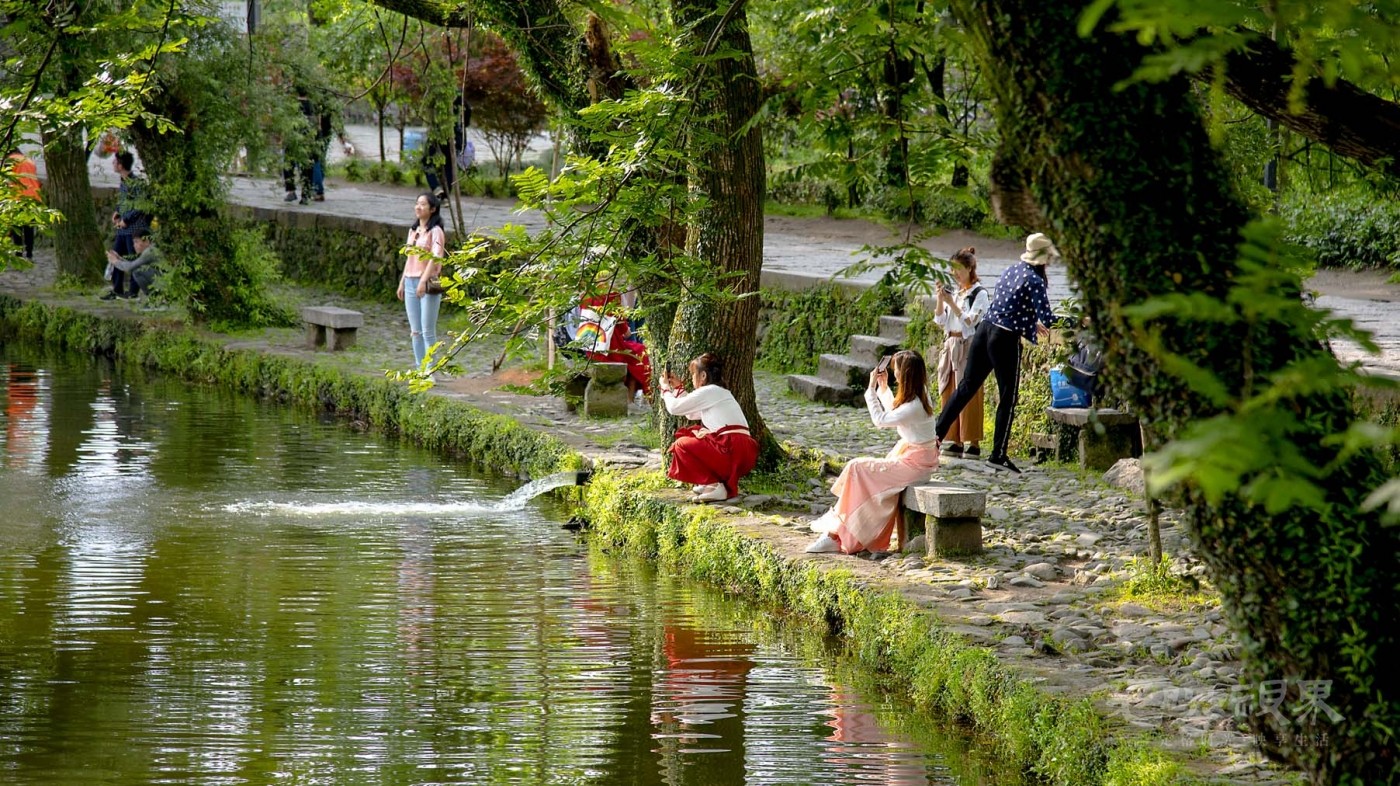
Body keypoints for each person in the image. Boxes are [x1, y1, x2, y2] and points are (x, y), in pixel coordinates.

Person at [934, 232, 1058, 474]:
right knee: (1008, 398)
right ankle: (997, 455)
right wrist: (1078, 321)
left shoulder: (1011, 270)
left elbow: (1007, 306)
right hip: (1004, 338)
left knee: (965, 388)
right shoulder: (1035, 279)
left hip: (985, 331)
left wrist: (1030, 323)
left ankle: (934, 440)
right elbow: (1050, 318)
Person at [806, 350, 940, 555]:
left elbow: (881, 420)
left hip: (915, 465)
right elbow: (895, 414)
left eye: (897, 369)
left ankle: (835, 534)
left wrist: (870, 388)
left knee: (856, 467)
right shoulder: (919, 395)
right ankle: (835, 531)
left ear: (905, 374)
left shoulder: (914, 406)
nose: (894, 372)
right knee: (857, 471)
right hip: (913, 458)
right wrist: (884, 388)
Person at [659, 353, 759, 503]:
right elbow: (691, 413)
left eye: (693, 374)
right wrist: (678, 388)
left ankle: (713, 484)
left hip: (732, 448)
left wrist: (666, 389)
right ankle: (712, 484)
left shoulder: (709, 391)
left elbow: (674, 408)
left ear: (703, 375)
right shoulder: (720, 392)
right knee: (694, 435)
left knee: (681, 444)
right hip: (745, 450)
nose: (692, 379)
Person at [933, 247, 989, 458]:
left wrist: (951, 303)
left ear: (969, 268)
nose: (955, 274)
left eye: (958, 270)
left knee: (969, 391)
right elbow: (940, 320)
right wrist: (941, 299)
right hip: (951, 343)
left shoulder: (979, 293)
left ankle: (972, 441)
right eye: (952, 270)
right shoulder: (955, 292)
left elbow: (970, 321)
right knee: (948, 388)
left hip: (969, 345)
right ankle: (952, 438)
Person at [578, 276, 652, 398]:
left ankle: (628, 399)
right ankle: (629, 399)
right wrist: (626, 331)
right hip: (612, 348)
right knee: (639, 355)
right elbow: (619, 319)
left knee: (633, 355)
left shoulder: (586, 295)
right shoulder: (612, 294)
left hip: (591, 348)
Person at [397, 192, 446, 370]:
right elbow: (409, 259)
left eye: (423, 205)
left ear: (433, 209)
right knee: (415, 331)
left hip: (427, 283)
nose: (418, 207)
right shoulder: (413, 230)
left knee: (427, 330)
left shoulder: (436, 232)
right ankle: (419, 368)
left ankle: (429, 369)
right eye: (417, 204)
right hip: (410, 280)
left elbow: (436, 257)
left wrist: (423, 281)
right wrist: (402, 282)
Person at [104, 151, 149, 300]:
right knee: (115, 256)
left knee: (133, 259)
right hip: (122, 229)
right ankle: (117, 289)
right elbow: (122, 201)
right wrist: (117, 212)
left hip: (133, 228)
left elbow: (139, 206)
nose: (112, 165)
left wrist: (126, 219)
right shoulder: (123, 181)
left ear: (120, 165)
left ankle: (133, 291)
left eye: (114, 162)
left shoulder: (136, 183)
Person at [423, 96, 471, 199]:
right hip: (457, 137)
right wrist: (463, 125)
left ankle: (436, 188)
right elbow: (468, 111)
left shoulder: (440, 93)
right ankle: (445, 196)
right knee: (448, 165)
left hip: (441, 134)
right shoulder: (460, 97)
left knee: (426, 161)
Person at [105, 227, 161, 299]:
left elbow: (130, 267)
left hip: (163, 282)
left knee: (137, 271)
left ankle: (154, 298)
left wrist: (115, 261)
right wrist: (119, 259)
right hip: (161, 279)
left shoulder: (149, 252)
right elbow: (134, 264)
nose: (134, 245)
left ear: (146, 241)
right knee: (136, 269)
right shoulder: (151, 249)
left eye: (136, 242)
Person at [5, 147, 40, 260]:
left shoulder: (11, 160)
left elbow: (7, 180)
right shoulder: (30, 161)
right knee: (29, 227)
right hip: (33, 197)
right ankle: (29, 253)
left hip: (19, 197)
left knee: (17, 228)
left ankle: (19, 254)